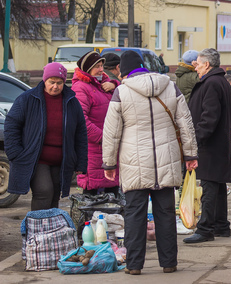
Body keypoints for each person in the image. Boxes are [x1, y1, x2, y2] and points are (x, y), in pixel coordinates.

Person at [102, 50, 198, 275]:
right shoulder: (169, 86)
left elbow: (111, 132)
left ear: (122, 71)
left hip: (133, 162)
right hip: (167, 159)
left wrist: (109, 163)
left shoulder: (121, 92)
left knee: (134, 214)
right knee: (165, 213)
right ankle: (169, 263)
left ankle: (134, 265)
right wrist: (191, 155)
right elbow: (186, 123)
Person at [4, 62, 88, 211]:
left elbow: (80, 133)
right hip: (36, 158)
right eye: (52, 82)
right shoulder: (28, 99)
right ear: (44, 81)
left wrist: (81, 162)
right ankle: (37, 229)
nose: (55, 86)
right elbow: (12, 124)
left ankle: (50, 230)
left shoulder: (71, 102)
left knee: (55, 194)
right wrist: (15, 153)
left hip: (61, 159)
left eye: (59, 83)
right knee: (44, 191)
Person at [183, 48, 231, 244]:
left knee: (210, 185)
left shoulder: (211, 83)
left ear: (207, 64)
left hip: (210, 144)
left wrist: (196, 140)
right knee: (218, 184)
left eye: (198, 63)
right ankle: (221, 225)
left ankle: (205, 228)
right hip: (218, 142)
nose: (195, 67)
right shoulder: (219, 81)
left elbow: (209, 117)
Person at [72, 51, 121, 196]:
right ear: (87, 69)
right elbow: (81, 122)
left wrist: (115, 84)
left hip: (108, 149)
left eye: (102, 66)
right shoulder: (80, 88)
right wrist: (105, 139)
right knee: (92, 195)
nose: (101, 69)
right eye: (97, 66)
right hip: (93, 150)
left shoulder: (102, 84)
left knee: (112, 195)